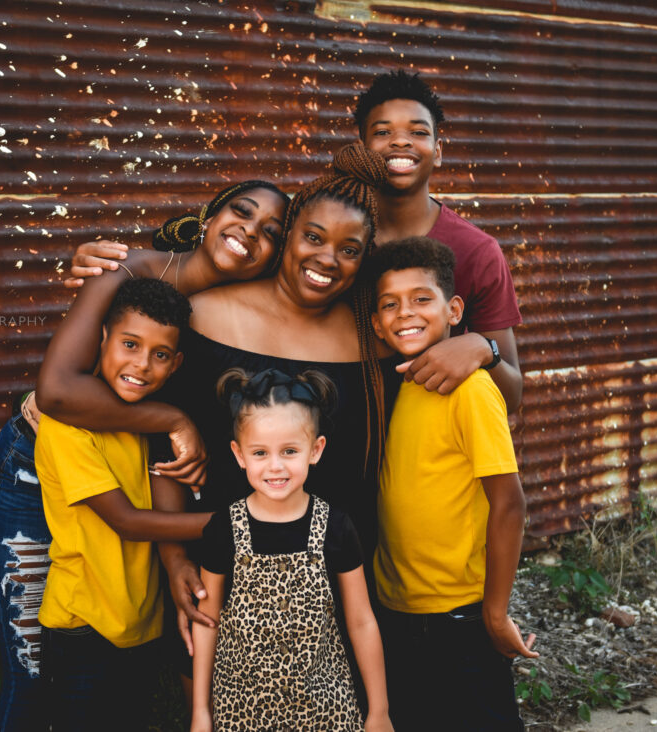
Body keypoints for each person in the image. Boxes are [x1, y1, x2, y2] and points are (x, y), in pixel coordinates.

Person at [43, 144, 401, 695]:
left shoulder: (372, 337)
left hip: (332, 577)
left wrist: (478, 345)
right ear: (289, 242)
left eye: (349, 248)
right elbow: (164, 450)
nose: (327, 258)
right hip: (220, 570)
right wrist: (175, 559)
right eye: (311, 238)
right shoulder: (207, 315)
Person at [0, 179, 287, 731]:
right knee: (30, 661)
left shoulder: (233, 311)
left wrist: (175, 557)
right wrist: (173, 419)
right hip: (40, 457)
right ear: (210, 211)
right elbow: (57, 394)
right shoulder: (128, 274)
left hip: (125, 469)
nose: (250, 233)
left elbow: (159, 459)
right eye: (242, 212)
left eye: (272, 232)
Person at [367, 237, 537, 731]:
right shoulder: (397, 382)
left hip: (459, 615)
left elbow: (508, 504)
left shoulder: (471, 387)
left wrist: (496, 611)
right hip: (398, 608)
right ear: (376, 324)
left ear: (454, 309)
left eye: (422, 299)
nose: (406, 313)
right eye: (390, 304)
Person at [35, 277, 211, 731]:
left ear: (176, 365)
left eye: (160, 354)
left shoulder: (146, 419)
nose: (142, 365)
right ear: (102, 340)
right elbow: (127, 522)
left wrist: (177, 564)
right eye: (130, 344)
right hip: (83, 623)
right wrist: (234, 522)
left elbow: (163, 483)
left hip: (141, 619)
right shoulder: (67, 427)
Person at [191, 367, 393, 732]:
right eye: (260, 452)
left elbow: (361, 621)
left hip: (326, 708)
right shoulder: (224, 529)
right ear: (239, 455)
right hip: (241, 710)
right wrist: (201, 711)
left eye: (289, 451)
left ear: (315, 450)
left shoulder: (335, 527)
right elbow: (207, 623)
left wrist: (379, 711)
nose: (275, 466)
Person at [354, 69, 524, 411]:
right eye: (383, 132)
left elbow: (513, 395)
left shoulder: (478, 252)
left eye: (417, 132)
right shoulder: (335, 240)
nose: (401, 142)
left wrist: (481, 349)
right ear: (362, 149)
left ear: (438, 150)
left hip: (428, 446)